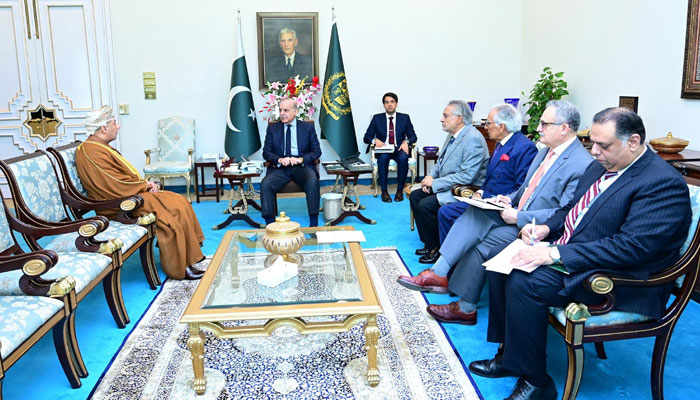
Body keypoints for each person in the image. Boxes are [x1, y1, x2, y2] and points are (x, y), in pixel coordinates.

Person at [469, 107, 691, 400]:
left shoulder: (662, 182)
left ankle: (536, 382)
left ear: (634, 142)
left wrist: (555, 254)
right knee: (503, 261)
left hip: (621, 277)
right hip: (581, 251)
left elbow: (632, 248)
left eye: (603, 145)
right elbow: (571, 209)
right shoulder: (602, 164)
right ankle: (511, 356)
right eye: (592, 143)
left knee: (525, 281)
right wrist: (546, 229)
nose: (594, 152)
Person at [398, 100, 593, 325]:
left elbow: (565, 213)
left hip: (538, 229)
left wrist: (518, 216)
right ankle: (450, 287)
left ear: (564, 128)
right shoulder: (546, 153)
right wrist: (508, 199)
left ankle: (451, 289)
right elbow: (525, 188)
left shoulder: (581, 164)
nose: (538, 128)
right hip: (517, 213)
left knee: (480, 241)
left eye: (544, 124)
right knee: (476, 216)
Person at [75, 106, 206, 280]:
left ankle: (189, 256)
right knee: (172, 211)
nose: (118, 126)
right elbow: (114, 184)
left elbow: (117, 180)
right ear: (104, 128)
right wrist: (144, 186)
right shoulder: (91, 151)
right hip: (118, 204)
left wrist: (144, 185)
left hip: (127, 195)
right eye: (114, 123)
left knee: (178, 200)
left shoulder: (98, 146)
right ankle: (180, 267)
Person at [431, 103, 538, 259]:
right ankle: (450, 259)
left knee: (447, 212)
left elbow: (522, 187)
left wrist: (500, 201)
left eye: (488, 123)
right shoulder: (501, 143)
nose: (485, 127)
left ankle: (451, 261)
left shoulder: (524, 147)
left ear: (501, 126)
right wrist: (480, 192)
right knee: (446, 212)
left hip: (501, 205)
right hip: (485, 199)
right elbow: (489, 176)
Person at [410, 100, 489, 260]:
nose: (442, 119)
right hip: (450, 184)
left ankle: (438, 249)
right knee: (416, 196)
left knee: (426, 206)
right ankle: (430, 243)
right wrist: (431, 177)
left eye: (445, 116)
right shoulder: (453, 135)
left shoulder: (472, 138)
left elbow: (467, 176)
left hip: (466, 189)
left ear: (459, 118)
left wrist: (435, 184)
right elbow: (440, 162)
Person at [261, 97, 322, 226]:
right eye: (280, 110)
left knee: (312, 181)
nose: (282, 113)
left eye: (286, 110)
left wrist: (301, 159)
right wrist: (279, 159)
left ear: (295, 111)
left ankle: (313, 223)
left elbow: (317, 152)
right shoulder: (273, 128)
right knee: (265, 184)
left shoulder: (307, 127)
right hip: (280, 169)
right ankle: (270, 224)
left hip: (302, 167)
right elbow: (266, 152)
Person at [363, 92, 417, 202]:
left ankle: (399, 191)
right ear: (384, 105)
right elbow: (366, 137)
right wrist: (375, 140)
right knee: (383, 159)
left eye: (392, 102)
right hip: (384, 149)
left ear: (396, 103)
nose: (390, 104)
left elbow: (413, 136)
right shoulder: (377, 118)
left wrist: (406, 142)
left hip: (398, 148)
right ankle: (384, 192)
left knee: (403, 158)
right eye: (387, 102)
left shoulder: (404, 118)